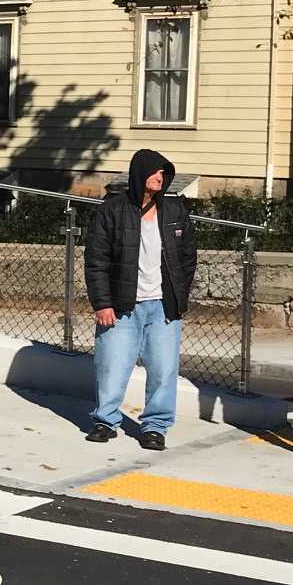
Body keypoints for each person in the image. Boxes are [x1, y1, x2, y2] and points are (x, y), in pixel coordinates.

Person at [84, 148, 198, 452]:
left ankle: (155, 427)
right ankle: (105, 421)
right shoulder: (113, 210)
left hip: (163, 306)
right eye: (155, 172)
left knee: (163, 369)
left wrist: (179, 295)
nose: (161, 178)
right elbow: (96, 260)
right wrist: (101, 302)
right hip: (121, 306)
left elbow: (188, 257)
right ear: (139, 174)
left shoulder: (175, 212)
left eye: (164, 173)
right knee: (111, 365)